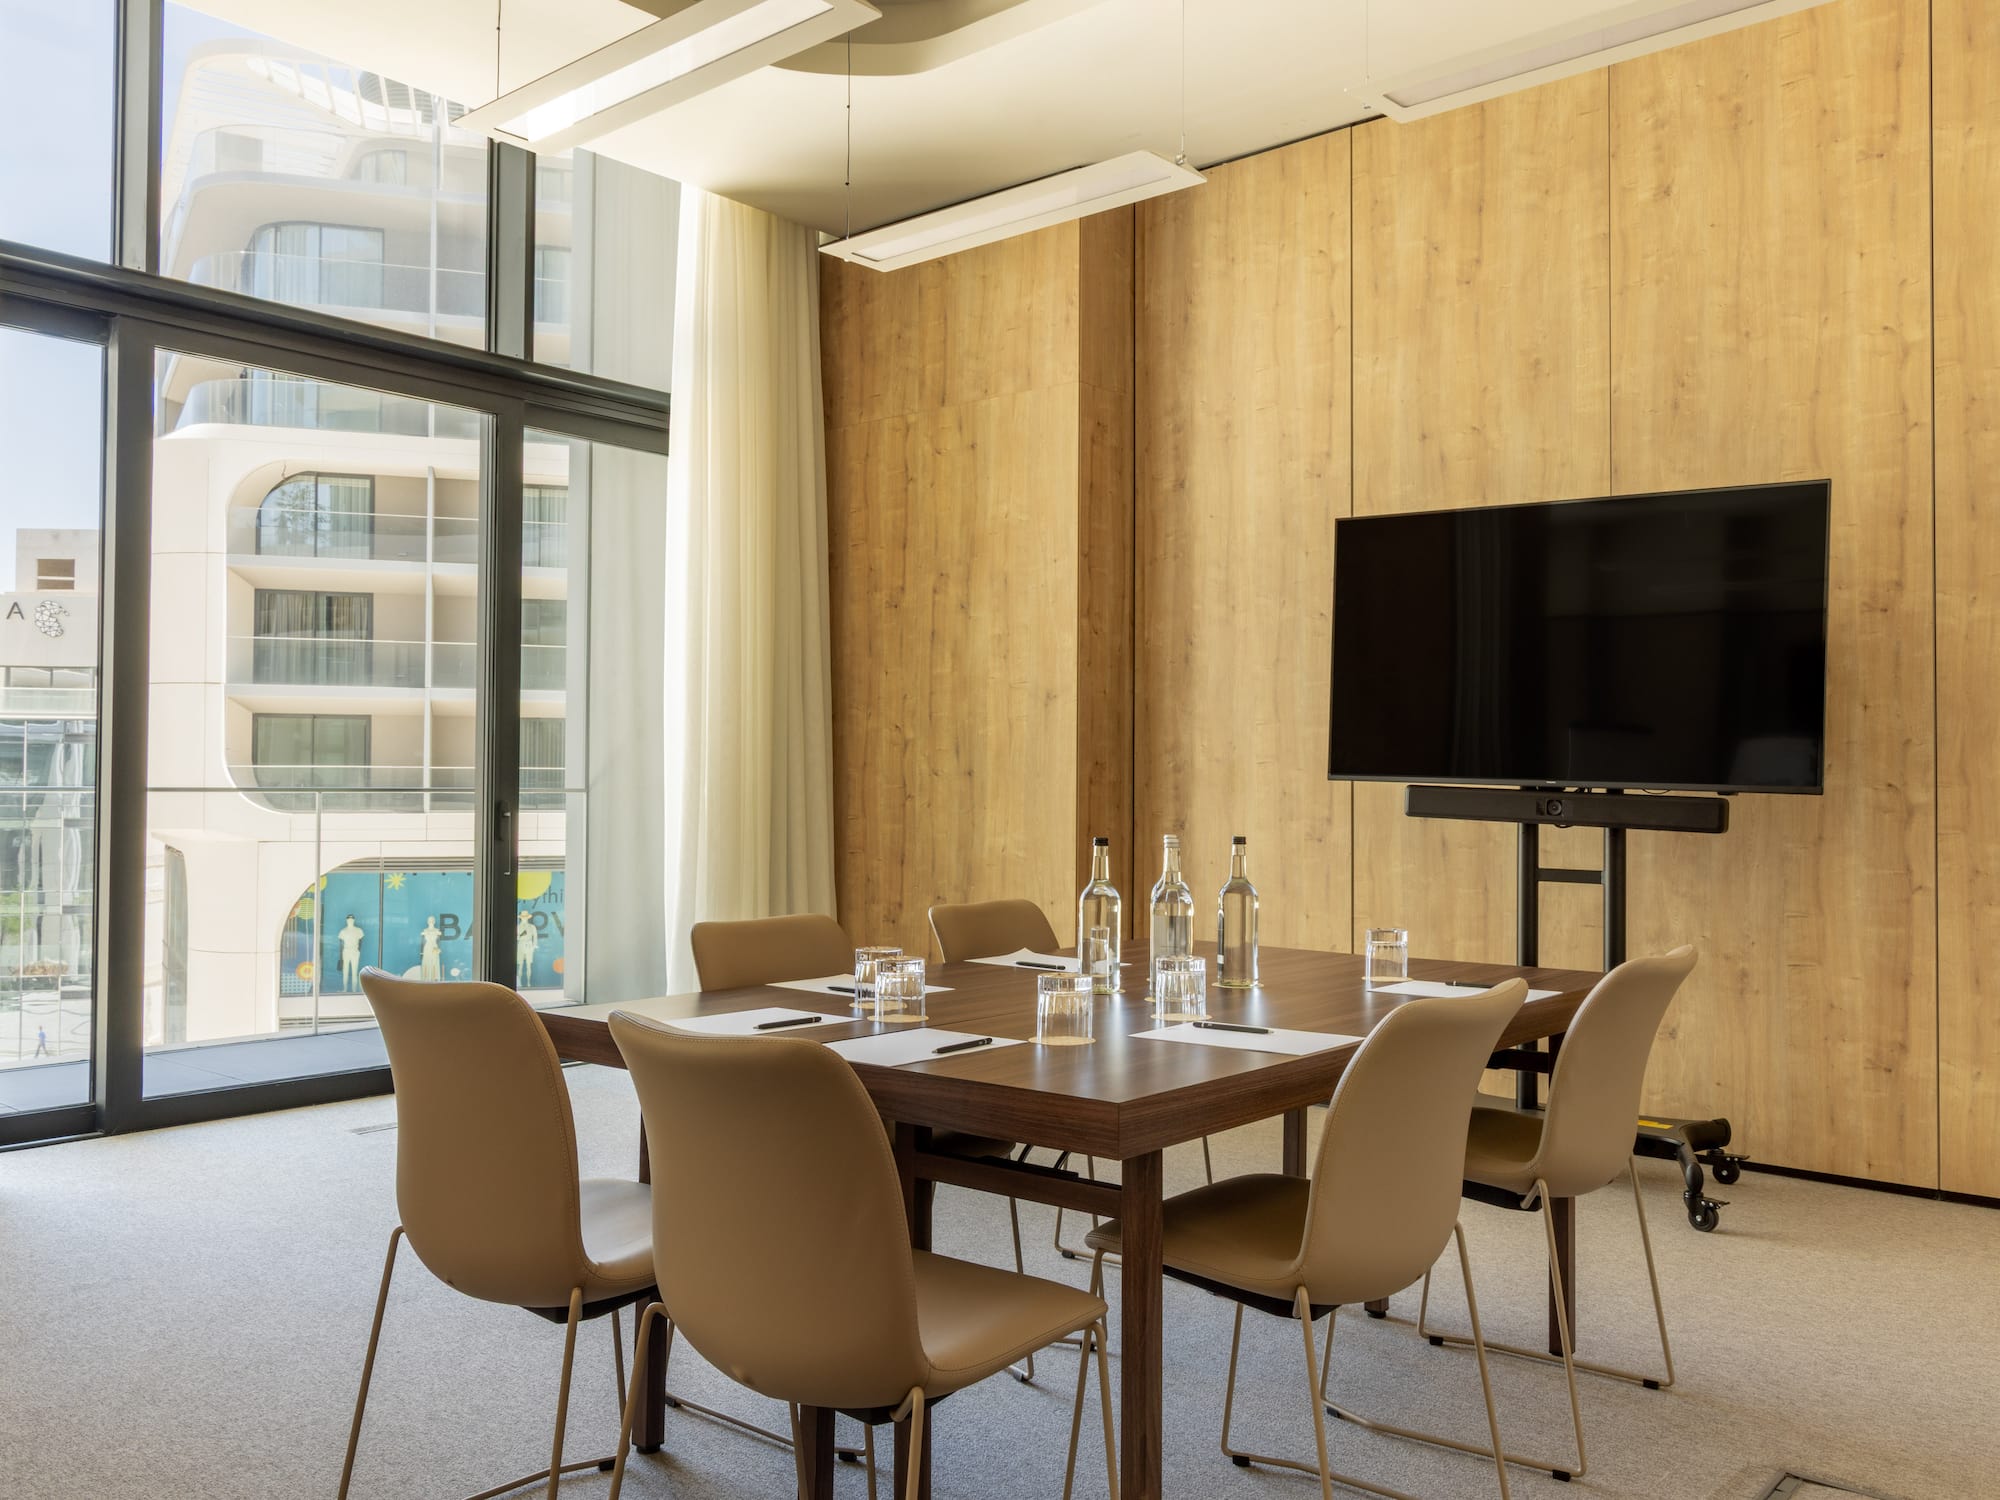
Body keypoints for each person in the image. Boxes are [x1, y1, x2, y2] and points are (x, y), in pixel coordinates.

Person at [338, 915, 366, 993]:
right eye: (349, 919)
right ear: (346, 920)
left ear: (354, 920)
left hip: (354, 952)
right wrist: (341, 956)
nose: (350, 920)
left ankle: (354, 990)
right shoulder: (343, 931)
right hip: (346, 952)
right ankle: (345, 989)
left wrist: (358, 950)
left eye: (352, 919)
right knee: (345, 971)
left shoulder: (359, 930)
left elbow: (361, 941)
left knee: (354, 971)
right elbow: (341, 944)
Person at [515, 911, 539, 989]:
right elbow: (516, 937)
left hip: (529, 945)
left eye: (525, 917)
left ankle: (529, 982)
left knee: (529, 965)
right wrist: (520, 936)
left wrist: (534, 945)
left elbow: (535, 937)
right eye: (523, 917)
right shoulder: (518, 927)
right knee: (520, 964)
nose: (524, 919)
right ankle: (520, 982)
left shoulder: (532, 927)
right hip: (521, 945)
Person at [419, 917, 443, 982]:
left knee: (434, 962)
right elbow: (422, 942)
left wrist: (439, 950)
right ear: (427, 921)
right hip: (427, 948)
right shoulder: (425, 931)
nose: (431, 921)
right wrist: (421, 952)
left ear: (434, 921)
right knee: (426, 962)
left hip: (434, 948)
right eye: (429, 920)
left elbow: (438, 942)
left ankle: (434, 979)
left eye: (432, 920)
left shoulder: (437, 931)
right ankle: (426, 979)